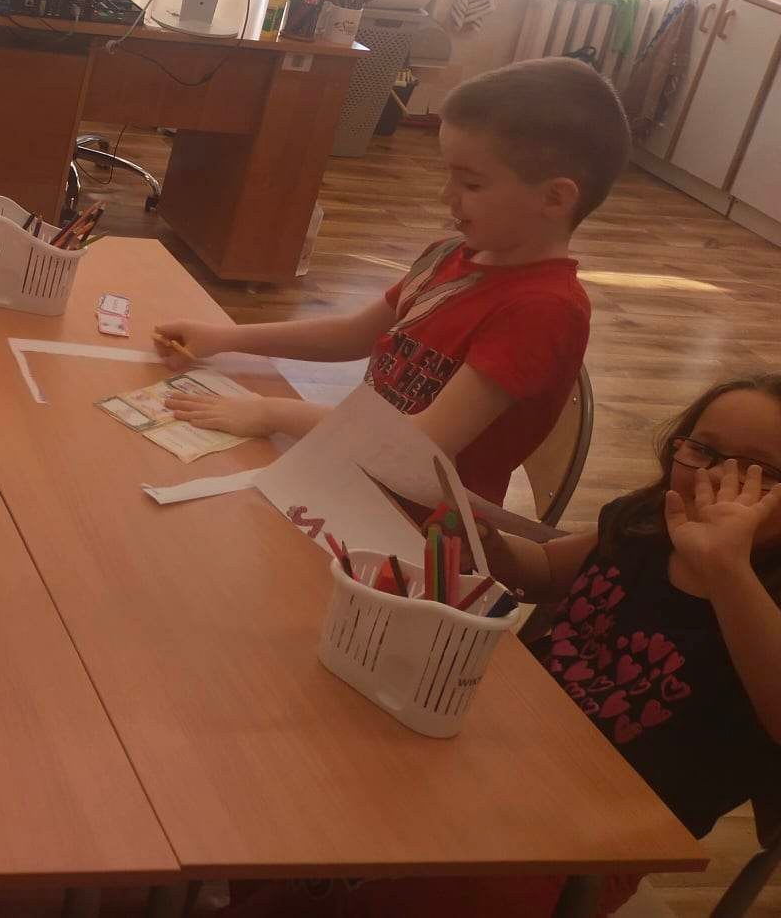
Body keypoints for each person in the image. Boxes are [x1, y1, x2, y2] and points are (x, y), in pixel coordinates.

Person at [226, 375, 781, 918]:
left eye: (762, 473)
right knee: (297, 787)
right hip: (505, 738)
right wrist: (490, 544)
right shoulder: (646, 523)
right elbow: (545, 572)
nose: (719, 478)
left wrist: (727, 568)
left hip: (590, 841)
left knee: (375, 872)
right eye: (704, 450)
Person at [153, 57, 629, 503]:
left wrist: (271, 412)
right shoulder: (451, 254)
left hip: (416, 527)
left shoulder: (542, 312)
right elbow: (354, 334)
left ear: (554, 199)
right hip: (357, 474)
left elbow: (416, 445)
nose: (446, 196)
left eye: (471, 184)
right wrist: (226, 337)